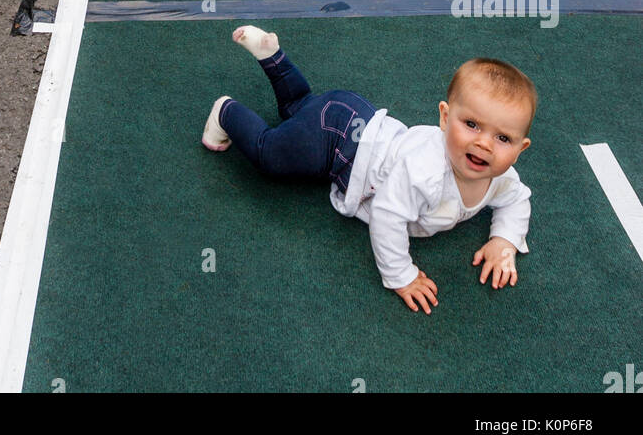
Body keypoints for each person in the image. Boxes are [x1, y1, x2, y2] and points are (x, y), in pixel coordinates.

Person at [202, 27, 534, 314]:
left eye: (503, 137)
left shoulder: (500, 178)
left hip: (354, 118)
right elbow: (387, 217)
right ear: (445, 118)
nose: (485, 144)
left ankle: (272, 56)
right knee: (271, 156)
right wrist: (402, 275)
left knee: (300, 107)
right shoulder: (425, 173)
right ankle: (226, 112)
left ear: (520, 149)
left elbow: (517, 199)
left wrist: (503, 239)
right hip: (336, 140)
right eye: (472, 124)